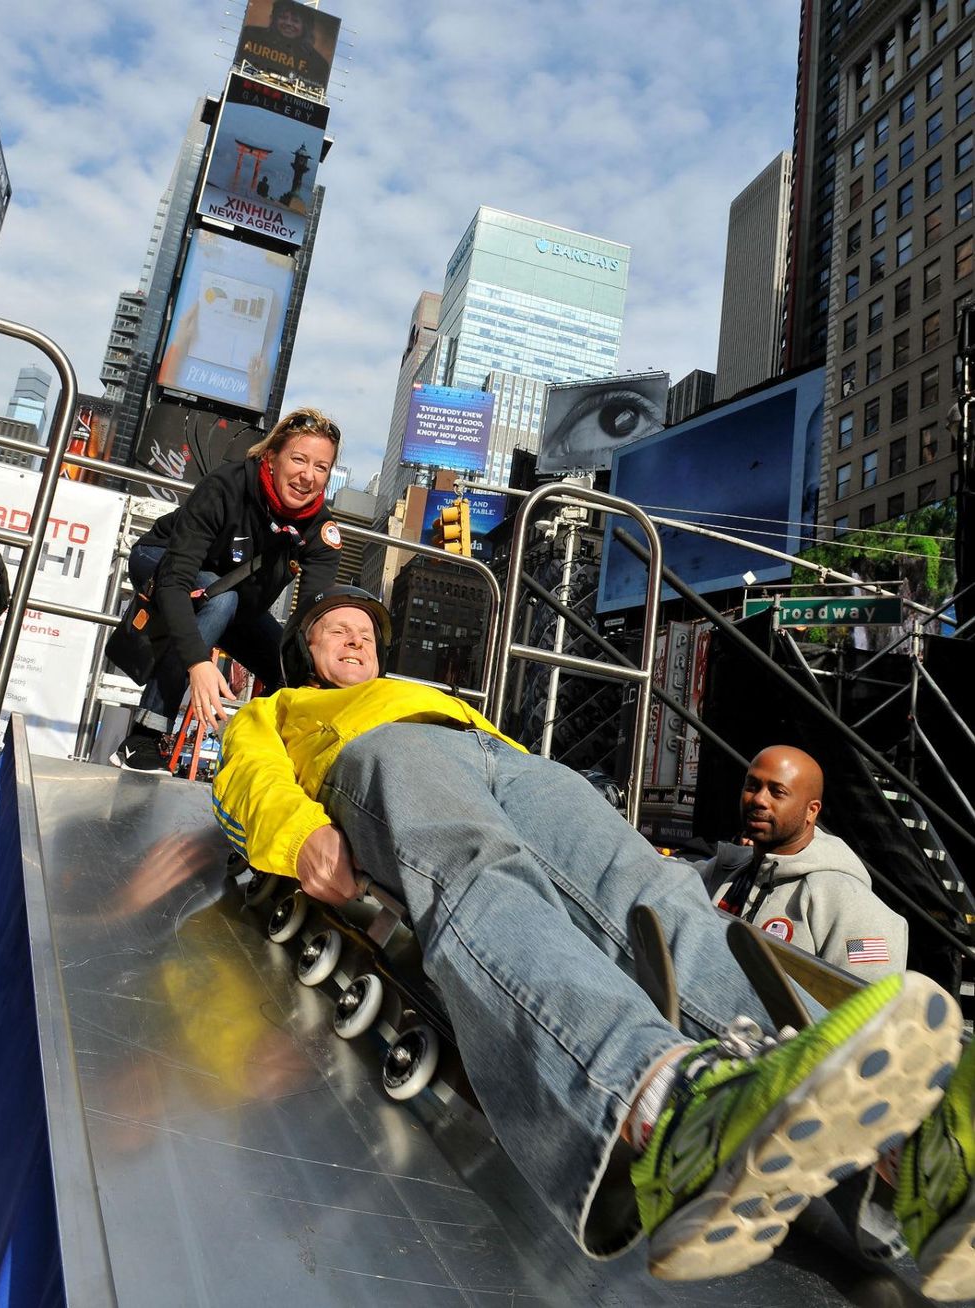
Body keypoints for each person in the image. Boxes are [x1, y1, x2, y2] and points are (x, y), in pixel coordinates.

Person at [212, 588, 973, 1295]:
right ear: (301, 652)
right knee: (481, 873)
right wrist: (304, 831)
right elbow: (242, 779)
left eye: (367, 631)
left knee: (651, 888)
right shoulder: (281, 710)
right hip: (376, 760)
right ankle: (665, 1113)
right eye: (337, 630)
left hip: (502, 757)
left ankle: (908, 1148)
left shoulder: (433, 695)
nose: (358, 639)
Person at [110, 408, 342, 772]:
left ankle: (275, 764)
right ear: (271, 456)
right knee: (220, 600)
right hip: (162, 561)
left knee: (292, 665)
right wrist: (198, 662)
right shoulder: (227, 486)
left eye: (321, 467)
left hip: (236, 604)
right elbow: (175, 580)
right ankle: (146, 734)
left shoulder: (320, 530)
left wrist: (319, 678)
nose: (307, 476)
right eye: (299, 459)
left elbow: (313, 616)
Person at [699, 746, 908, 980]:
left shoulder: (849, 902)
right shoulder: (722, 872)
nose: (759, 799)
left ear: (811, 811)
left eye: (777, 792)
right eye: (752, 786)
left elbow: (869, 1005)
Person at [236, 0, 332, 88]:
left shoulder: (318, 63)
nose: (288, 23)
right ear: (274, 19)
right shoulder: (252, 35)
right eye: (283, 17)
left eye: (295, 21)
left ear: (305, 27)